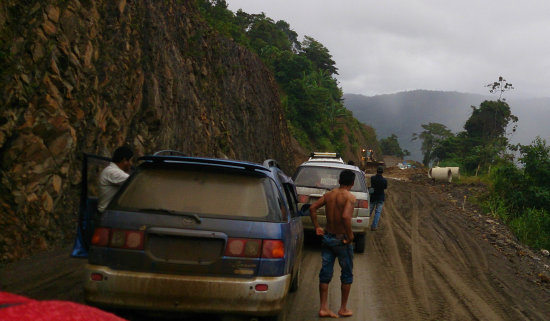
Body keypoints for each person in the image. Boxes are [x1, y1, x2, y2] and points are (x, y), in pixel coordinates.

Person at [309, 169, 356, 318]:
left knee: (325, 273)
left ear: (339, 181)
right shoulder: (350, 197)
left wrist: (317, 227)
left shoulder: (329, 195)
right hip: (341, 240)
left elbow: (312, 207)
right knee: (347, 274)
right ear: (352, 183)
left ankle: (323, 308)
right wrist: (350, 236)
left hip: (328, 237)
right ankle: (343, 308)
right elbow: (346, 217)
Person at [97, 146, 133, 213]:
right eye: (131, 160)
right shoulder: (112, 172)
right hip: (106, 215)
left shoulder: (110, 170)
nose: (131, 164)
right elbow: (135, 182)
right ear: (124, 160)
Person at [369, 166, 388, 231]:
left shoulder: (372, 178)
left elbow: (372, 185)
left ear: (376, 171)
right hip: (380, 197)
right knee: (378, 212)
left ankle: (364, 224)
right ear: (382, 172)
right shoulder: (384, 180)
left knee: (369, 211)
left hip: (373, 197)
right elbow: (385, 187)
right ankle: (374, 226)